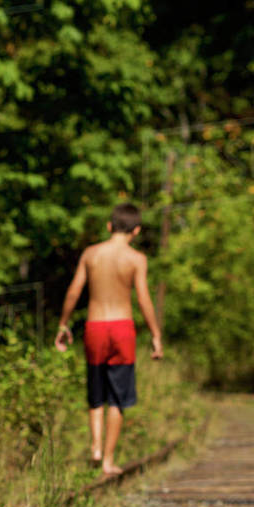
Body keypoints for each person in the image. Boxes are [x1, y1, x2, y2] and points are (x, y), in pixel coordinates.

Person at [55, 203, 163, 475]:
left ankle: (95, 446)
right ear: (136, 230)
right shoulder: (137, 259)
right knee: (117, 397)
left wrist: (63, 324)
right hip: (122, 328)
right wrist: (155, 334)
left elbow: (74, 290)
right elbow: (143, 298)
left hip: (95, 326)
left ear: (109, 226)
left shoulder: (91, 254)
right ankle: (108, 460)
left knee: (96, 390)